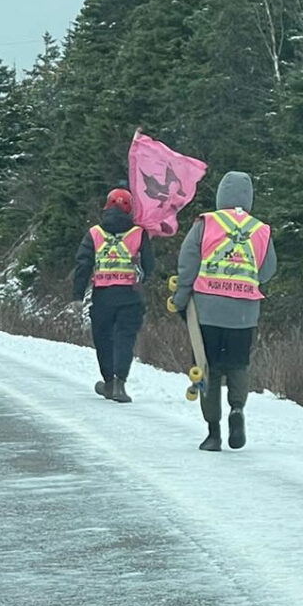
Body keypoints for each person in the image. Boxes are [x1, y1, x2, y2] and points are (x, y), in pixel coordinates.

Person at [171, 171, 276, 452]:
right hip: (243, 314)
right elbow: (266, 272)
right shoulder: (260, 230)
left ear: (221, 196)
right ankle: (237, 410)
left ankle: (213, 432)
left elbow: (188, 263)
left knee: (208, 370)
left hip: (207, 311)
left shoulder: (206, 224)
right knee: (238, 365)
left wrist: (181, 298)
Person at [73, 188, 154, 403]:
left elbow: (83, 265)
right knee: (124, 339)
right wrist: (139, 278)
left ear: (107, 206)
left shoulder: (94, 234)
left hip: (103, 296)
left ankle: (108, 382)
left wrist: (77, 295)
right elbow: (150, 267)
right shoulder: (139, 233)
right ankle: (120, 383)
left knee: (104, 339)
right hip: (130, 297)